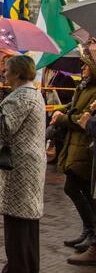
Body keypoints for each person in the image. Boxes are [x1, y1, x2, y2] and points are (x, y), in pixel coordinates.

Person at [0, 55, 46, 273]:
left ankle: (18, 268)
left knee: (18, 228)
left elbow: (6, 126)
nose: (4, 73)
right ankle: (25, 266)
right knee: (25, 225)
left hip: (20, 170)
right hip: (27, 168)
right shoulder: (29, 94)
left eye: (7, 69)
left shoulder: (22, 97)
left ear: (17, 73)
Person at [51, 52, 96, 256]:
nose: (82, 68)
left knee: (78, 188)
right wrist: (59, 111)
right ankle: (88, 229)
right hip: (74, 145)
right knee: (79, 188)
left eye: (85, 65)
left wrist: (61, 119)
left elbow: (83, 119)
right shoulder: (83, 85)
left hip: (84, 146)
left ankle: (92, 232)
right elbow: (74, 108)